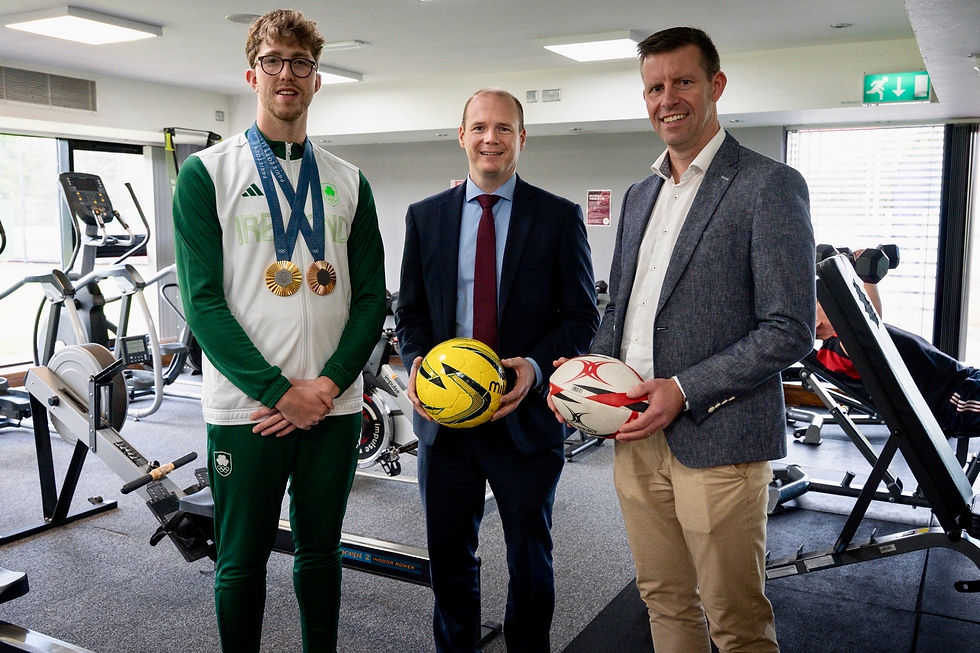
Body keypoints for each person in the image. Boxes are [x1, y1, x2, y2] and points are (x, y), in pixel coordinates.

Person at [584, 27, 815, 652]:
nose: (668, 99)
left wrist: (684, 390)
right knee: (663, 601)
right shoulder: (639, 195)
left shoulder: (769, 185)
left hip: (721, 438)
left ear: (715, 85)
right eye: (654, 87)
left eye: (682, 82)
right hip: (635, 439)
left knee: (735, 620)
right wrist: (587, 373)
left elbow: (789, 328)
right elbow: (622, 311)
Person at [172, 9, 386, 652]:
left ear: (317, 79)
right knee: (240, 559)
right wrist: (278, 391)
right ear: (252, 73)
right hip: (247, 409)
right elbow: (203, 304)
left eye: (300, 63)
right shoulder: (207, 174)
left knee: (321, 554)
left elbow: (371, 299)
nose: (286, 74)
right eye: (274, 62)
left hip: (335, 403)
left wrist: (322, 387)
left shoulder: (350, 182)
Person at [395, 88, 599, 652]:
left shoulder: (558, 218)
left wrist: (534, 368)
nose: (491, 138)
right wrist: (416, 364)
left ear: (521, 138)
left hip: (525, 422)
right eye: (479, 127)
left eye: (504, 128)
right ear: (461, 136)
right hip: (446, 424)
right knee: (450, 560)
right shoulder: (425, 218)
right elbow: (408, 310)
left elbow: (583, 314)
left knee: (530, 561)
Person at [816, 298, 980, 436]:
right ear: (816, 322)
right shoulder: (834, 351)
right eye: (818, 300)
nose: (828, 299)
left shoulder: (859, 330)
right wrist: (867, 278)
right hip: (955, 400)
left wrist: (866, 271)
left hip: (968, 379)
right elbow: (863, 323)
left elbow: (866, 310)